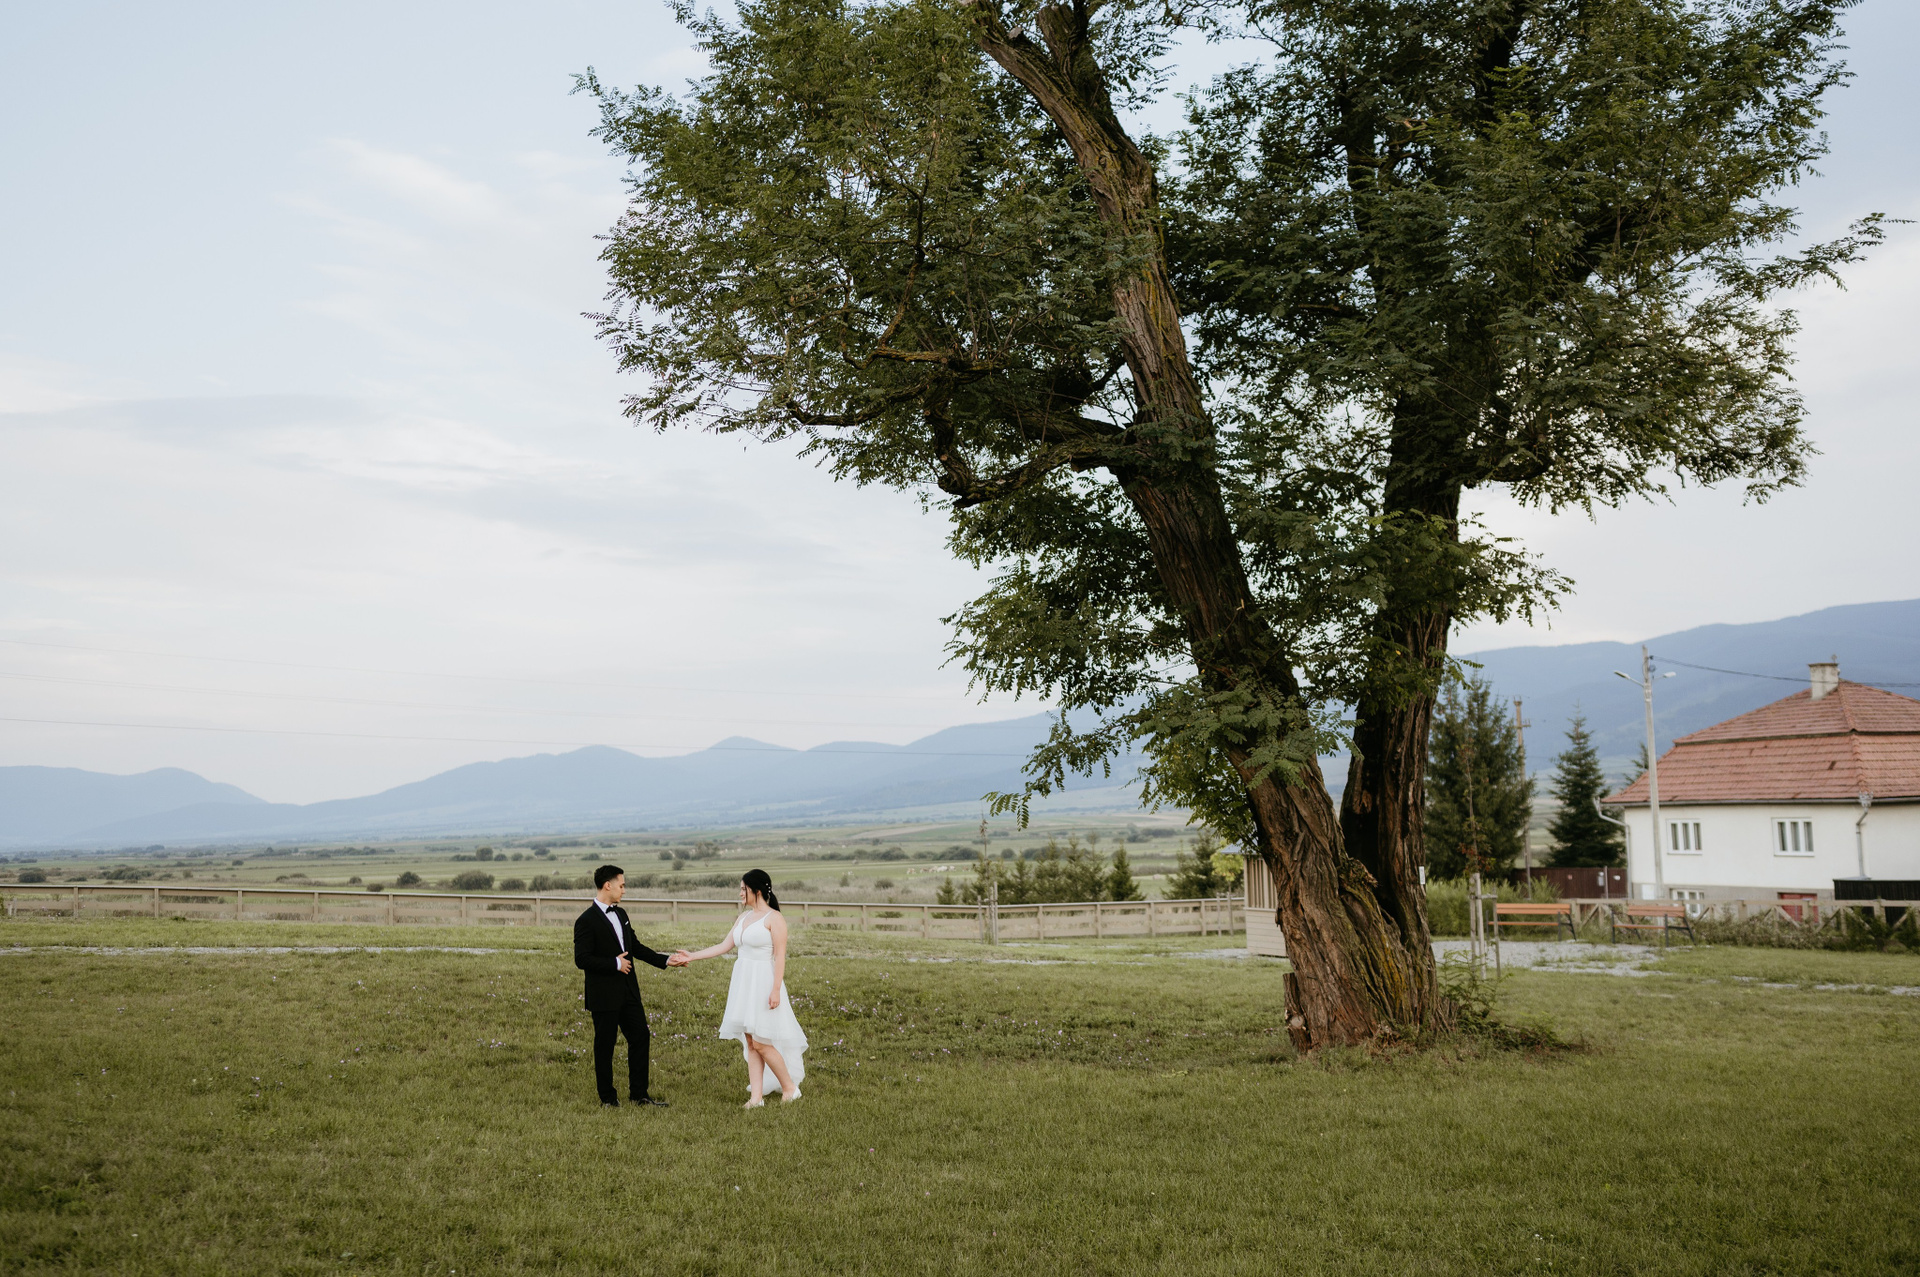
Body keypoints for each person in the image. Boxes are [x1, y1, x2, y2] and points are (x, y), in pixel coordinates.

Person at [676, 869, 808, 1106]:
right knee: (751, 1041)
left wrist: (775, 989)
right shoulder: (743, 918)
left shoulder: (774, 918)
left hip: (764, 983)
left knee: (762, 1042)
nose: (740, 893)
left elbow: (780, 956)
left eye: (743, 889)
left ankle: (790, 1088)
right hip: (744, 983)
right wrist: (692, 956)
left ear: (757, 891)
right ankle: (756, 1098)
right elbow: (724, 946)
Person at [574, 864, 687, 1107]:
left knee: (640, 1037)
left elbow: (635, 947)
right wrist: (615, 963)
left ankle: (639, 1095)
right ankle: (607, 1099)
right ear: (608, 885)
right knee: (604, 1046)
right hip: (604, 995)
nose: (624, 890)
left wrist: (665, 960)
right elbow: (581, 959)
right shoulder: (585, 921)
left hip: (628, 992)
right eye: (622, 885)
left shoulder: (622, 914)